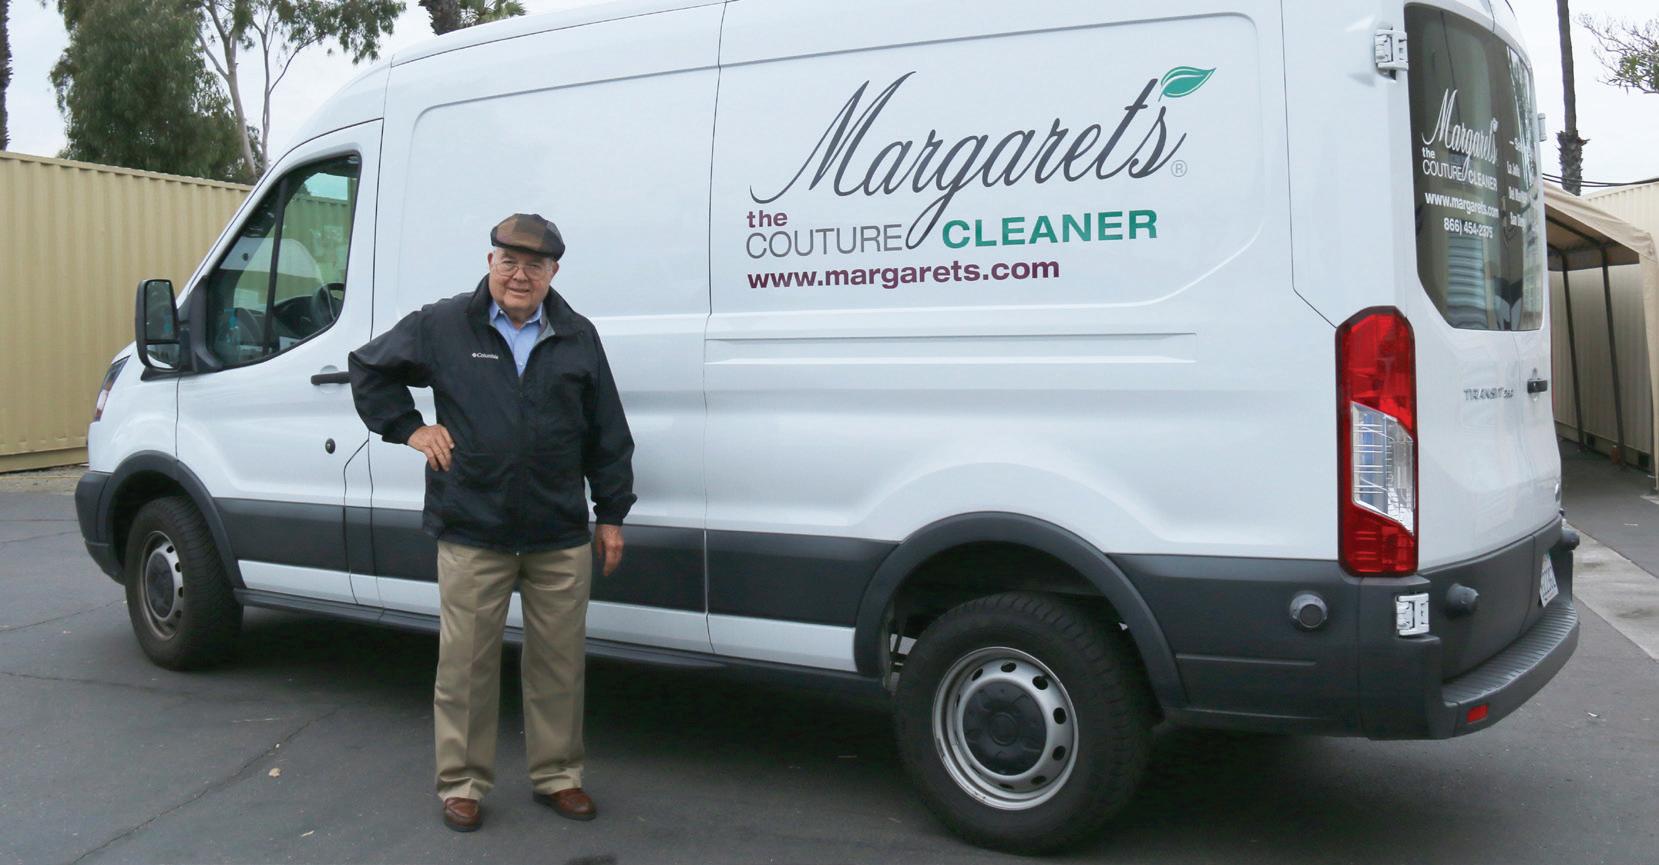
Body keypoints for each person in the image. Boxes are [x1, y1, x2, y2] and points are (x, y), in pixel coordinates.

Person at [348, 213, 635, 833]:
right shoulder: (445, 324)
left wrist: (611, 514)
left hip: (558, 531)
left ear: (553, 272)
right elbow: (369, 368)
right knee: (467, 669)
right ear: (489, 262)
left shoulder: (577, 335)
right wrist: (410, 428)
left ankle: (558, 776)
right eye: (509, 261)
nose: (519, 275)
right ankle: (462, 784)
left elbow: (607, 432)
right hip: (473, 527)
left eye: (534, 265)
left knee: (559, 667)